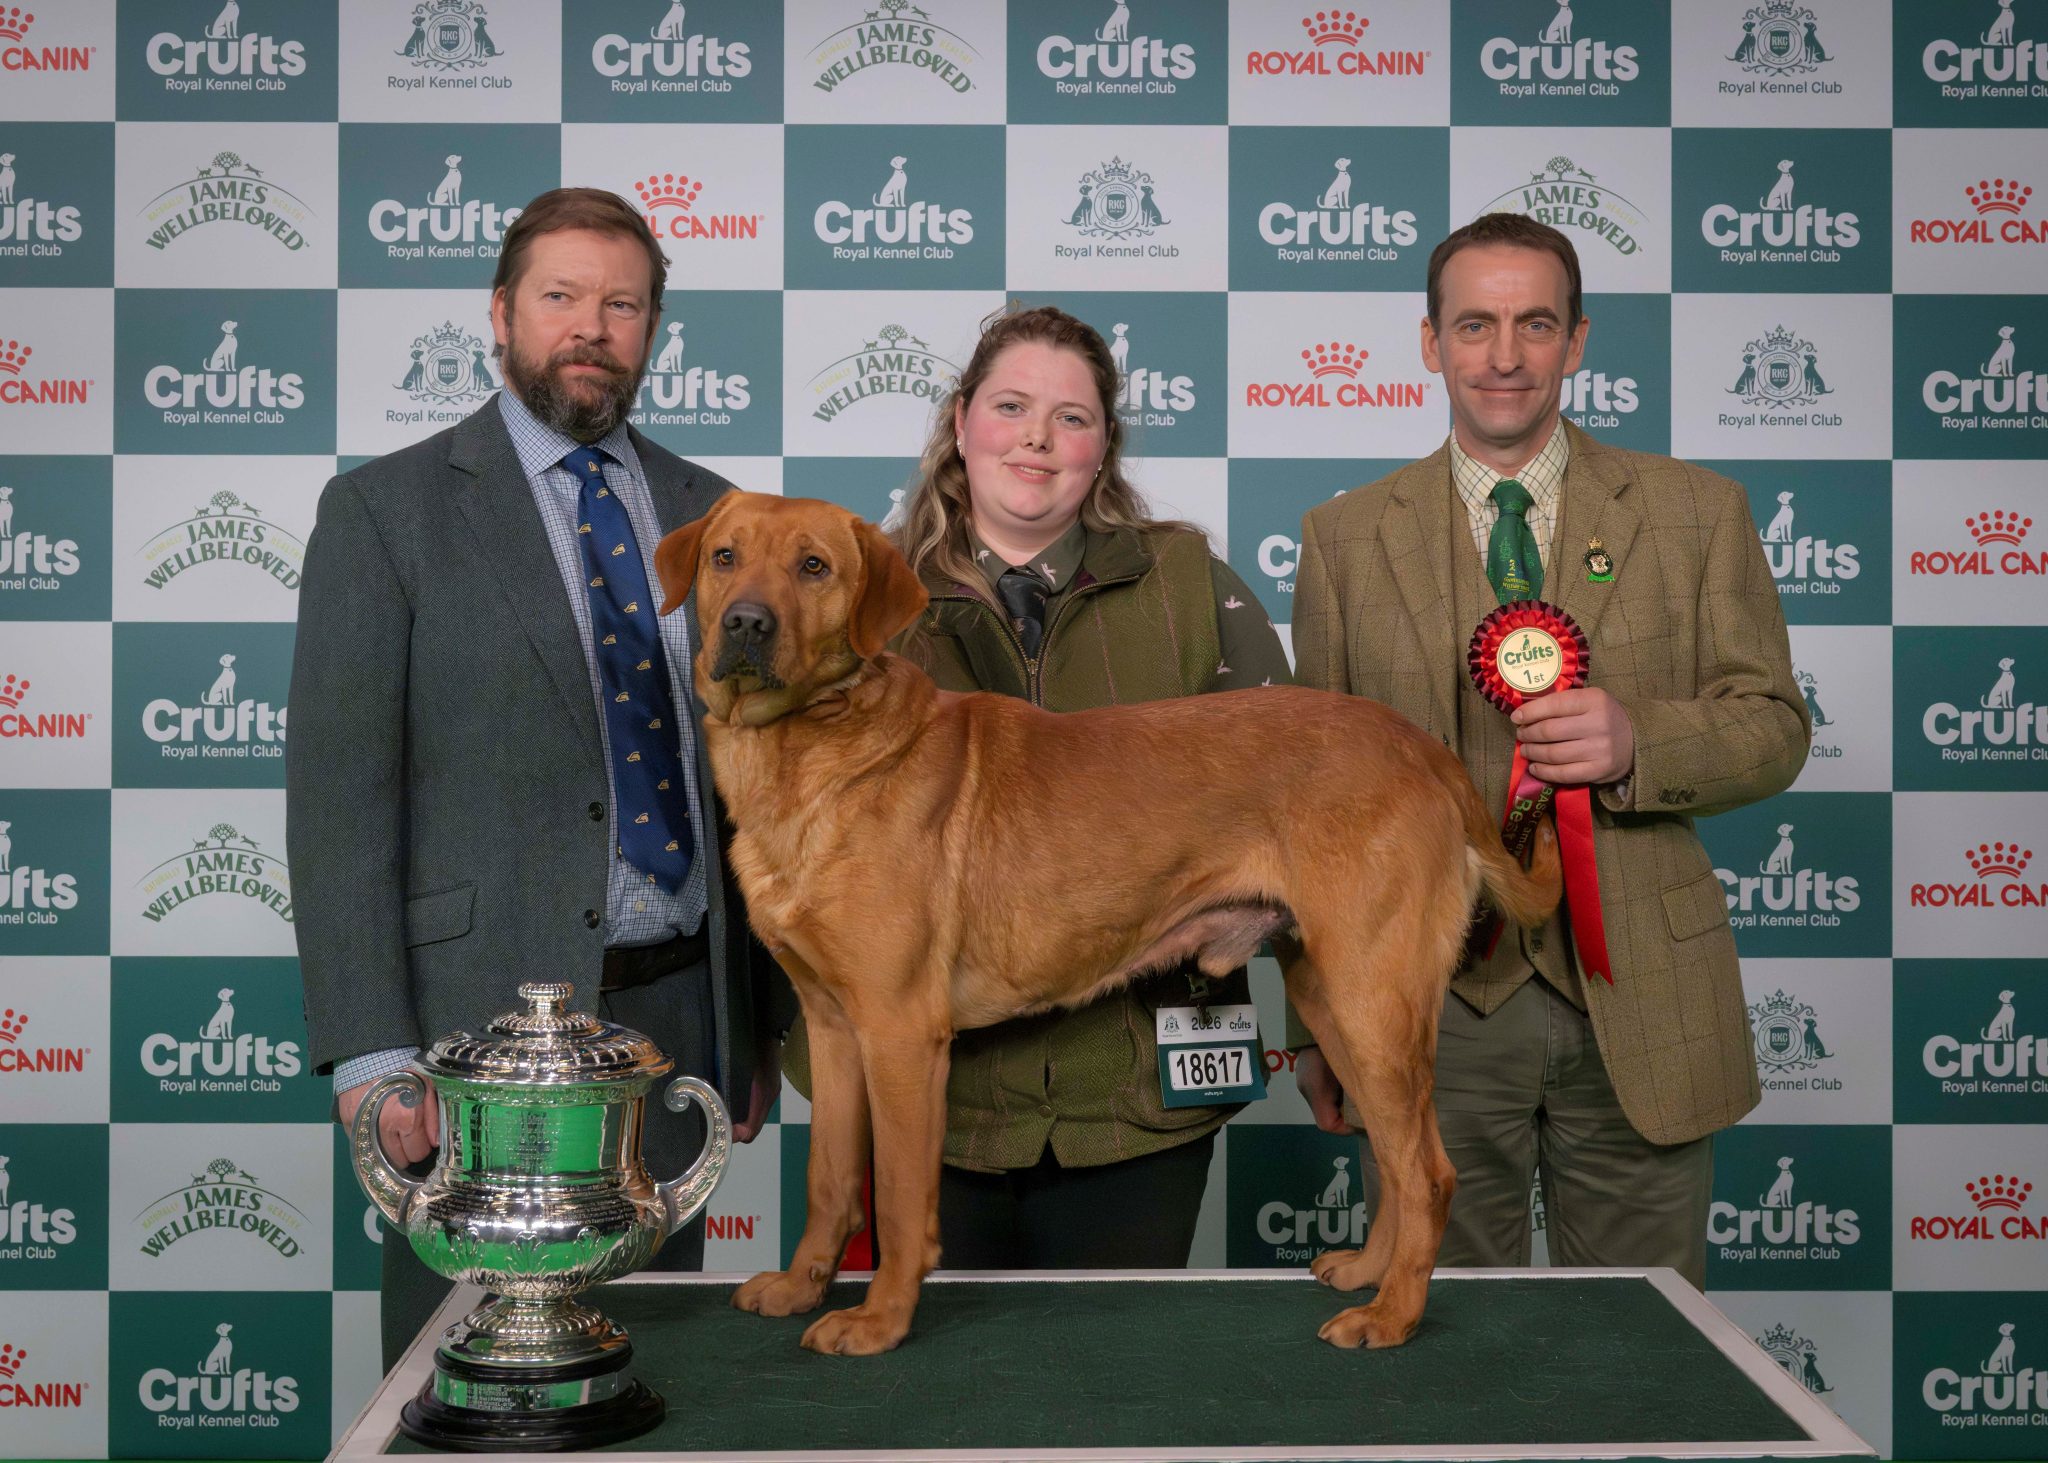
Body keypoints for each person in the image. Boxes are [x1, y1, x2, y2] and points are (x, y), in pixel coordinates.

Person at [288, 188, 788, 1368]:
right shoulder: (385, 511)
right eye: (561, 296)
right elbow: (339, 799)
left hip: (674, 1021)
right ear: (501, 312)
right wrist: (372, 1052)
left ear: (652, 328)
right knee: (470, 1378)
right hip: (471, 1038)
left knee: (654, 1376)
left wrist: (751, 1022)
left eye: (622, 304)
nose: (590, 327)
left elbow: (757, 786)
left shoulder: (717, 512)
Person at [1289, 213, 1808, 1288]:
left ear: (1575, 341)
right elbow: (1306, 811)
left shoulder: (1698, 512)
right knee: (1441, 1329)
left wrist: (1638, 739)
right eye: (1473, 325)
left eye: (1534, 323)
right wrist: (1315, 1024)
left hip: (1642, 996)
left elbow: (1773, 725)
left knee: (1643, 1340)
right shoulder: (1342, 539)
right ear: (1430, 342)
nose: (1504, 355)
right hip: (1427, 996)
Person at [792, 305, 1291, 1268]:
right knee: (935, 1355)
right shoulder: (857, 592)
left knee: (1112, 1351)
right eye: (1011, 406)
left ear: (1104, 447)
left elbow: (1300, 819)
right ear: (961, 421)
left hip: (1143, 1095)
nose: (1037, 437)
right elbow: (793, 838)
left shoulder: (1193, 581)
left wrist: (1314, 1035)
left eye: (1072, 417)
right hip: (937, 1103)